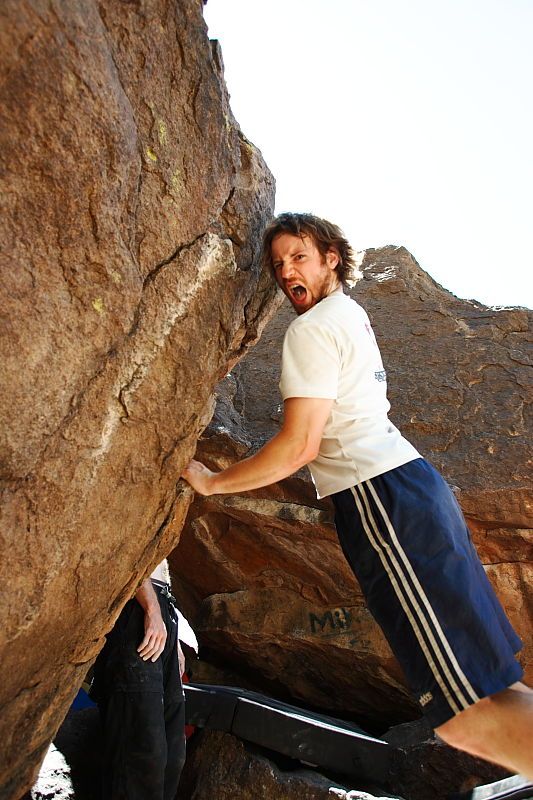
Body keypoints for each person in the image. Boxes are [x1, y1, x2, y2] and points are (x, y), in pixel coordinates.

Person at [181, 212, 533, 779]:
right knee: (488, 684)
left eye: (299, 255)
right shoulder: (351, 315)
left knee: (466, 710)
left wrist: (214, 482)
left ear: (331, 258)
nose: (286, 270)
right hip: (415, 491)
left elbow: (299, 447)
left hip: (384, 501)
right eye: (277, 263)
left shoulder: (313, 327)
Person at [91, 559, 192, 800]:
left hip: (162, 609)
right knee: (144, 751)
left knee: (173, 755)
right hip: (135, 608)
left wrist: (172, 637)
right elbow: (125, 552)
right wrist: (151, 610)